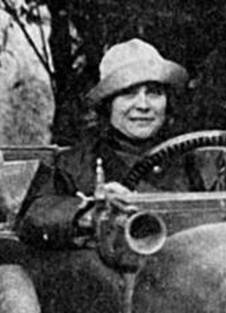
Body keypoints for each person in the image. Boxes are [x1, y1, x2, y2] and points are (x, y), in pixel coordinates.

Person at [16, 38, 209, 248]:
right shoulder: (71, 165)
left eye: (154, 93)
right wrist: (92, 213)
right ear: (107, 105)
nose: (143, 105)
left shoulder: (197, 161)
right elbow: (32, 218)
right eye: (128, 93)